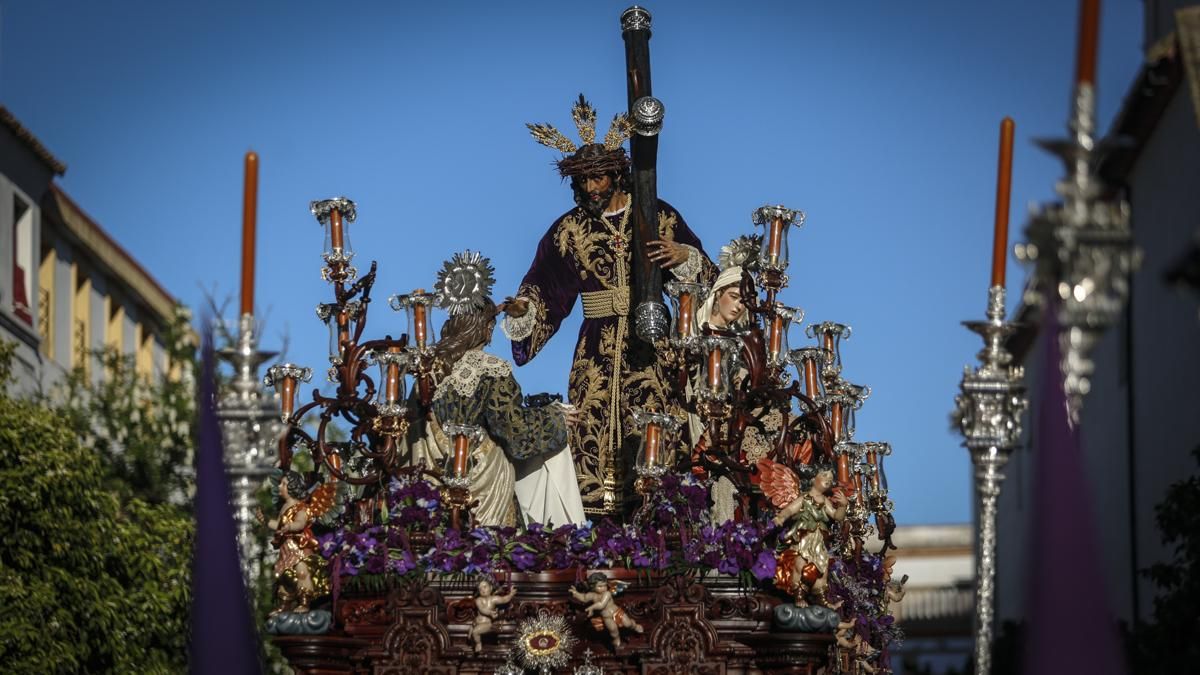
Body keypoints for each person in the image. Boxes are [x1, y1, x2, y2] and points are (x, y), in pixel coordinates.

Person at [503, 96, 717, 515]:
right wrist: (523, 311)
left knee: (657, 425)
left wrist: (683, 257)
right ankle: (597, 531)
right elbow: (544, 286)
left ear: (618, 174)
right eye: (583, 182)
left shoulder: (657, 215)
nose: (591, 188)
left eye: (598, 178)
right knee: (590, 428)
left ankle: (662, 516)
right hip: (595, 350)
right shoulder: (569, 229)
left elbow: (710, 277)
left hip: (652, 344)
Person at [410, 251, 586, 527]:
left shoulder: (426, 368)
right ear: (487, 328)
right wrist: (554, 417)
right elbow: (514, 430)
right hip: (483, 485)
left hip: (430, 482)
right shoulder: (489, 368)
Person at [766, 464, 849, 607]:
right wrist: (781, 517)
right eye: (824, 475)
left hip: (818, 541)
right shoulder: (804, 498)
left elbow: (837, 516)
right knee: (800, 564)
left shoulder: (825, 501)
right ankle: (799, 596)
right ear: (812, 479)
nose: (828, 479)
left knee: (822, 569)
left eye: (831, 478)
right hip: (803, 538)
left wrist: (843, 506)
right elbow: (790, 510)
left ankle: (822, 600)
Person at [262, 471, 335, 615]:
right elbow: (277, 524)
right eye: (280, 484)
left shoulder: (302, 507)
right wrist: (264, 520)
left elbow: (300, 523)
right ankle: (285, 603)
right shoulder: (284, 507)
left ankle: (304, 602)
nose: (280, 487)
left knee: (301, 571)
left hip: (299, 547)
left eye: (284, 484)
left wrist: (290, 526)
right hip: (285, 549)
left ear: (293, 487)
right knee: (284, 576)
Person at [569, 572, 644, 648]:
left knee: (628, 624)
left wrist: (591, 608)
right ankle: (616, 640)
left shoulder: (607, 593)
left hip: (616, 612)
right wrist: (576, 594)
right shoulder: (592, 595)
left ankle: (635, 626)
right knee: (612, 629)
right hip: (606, 617)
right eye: (600, 586)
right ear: (593, 586)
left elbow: (601, 605)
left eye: (605, 585)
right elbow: (584, 598)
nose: (603, 588)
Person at [468, 578, 516, 653]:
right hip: (475, 623)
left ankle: (478, 644)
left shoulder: (494, 599)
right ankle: (474, 644)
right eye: (480, 589)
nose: (483, 590)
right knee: (469, 637)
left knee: (475, 632)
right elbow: (482, 609)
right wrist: (490, 613)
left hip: (486, 624)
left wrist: (511, 594)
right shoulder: (478, 600)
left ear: (490, 588)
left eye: (485, 587)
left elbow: (504, 599)